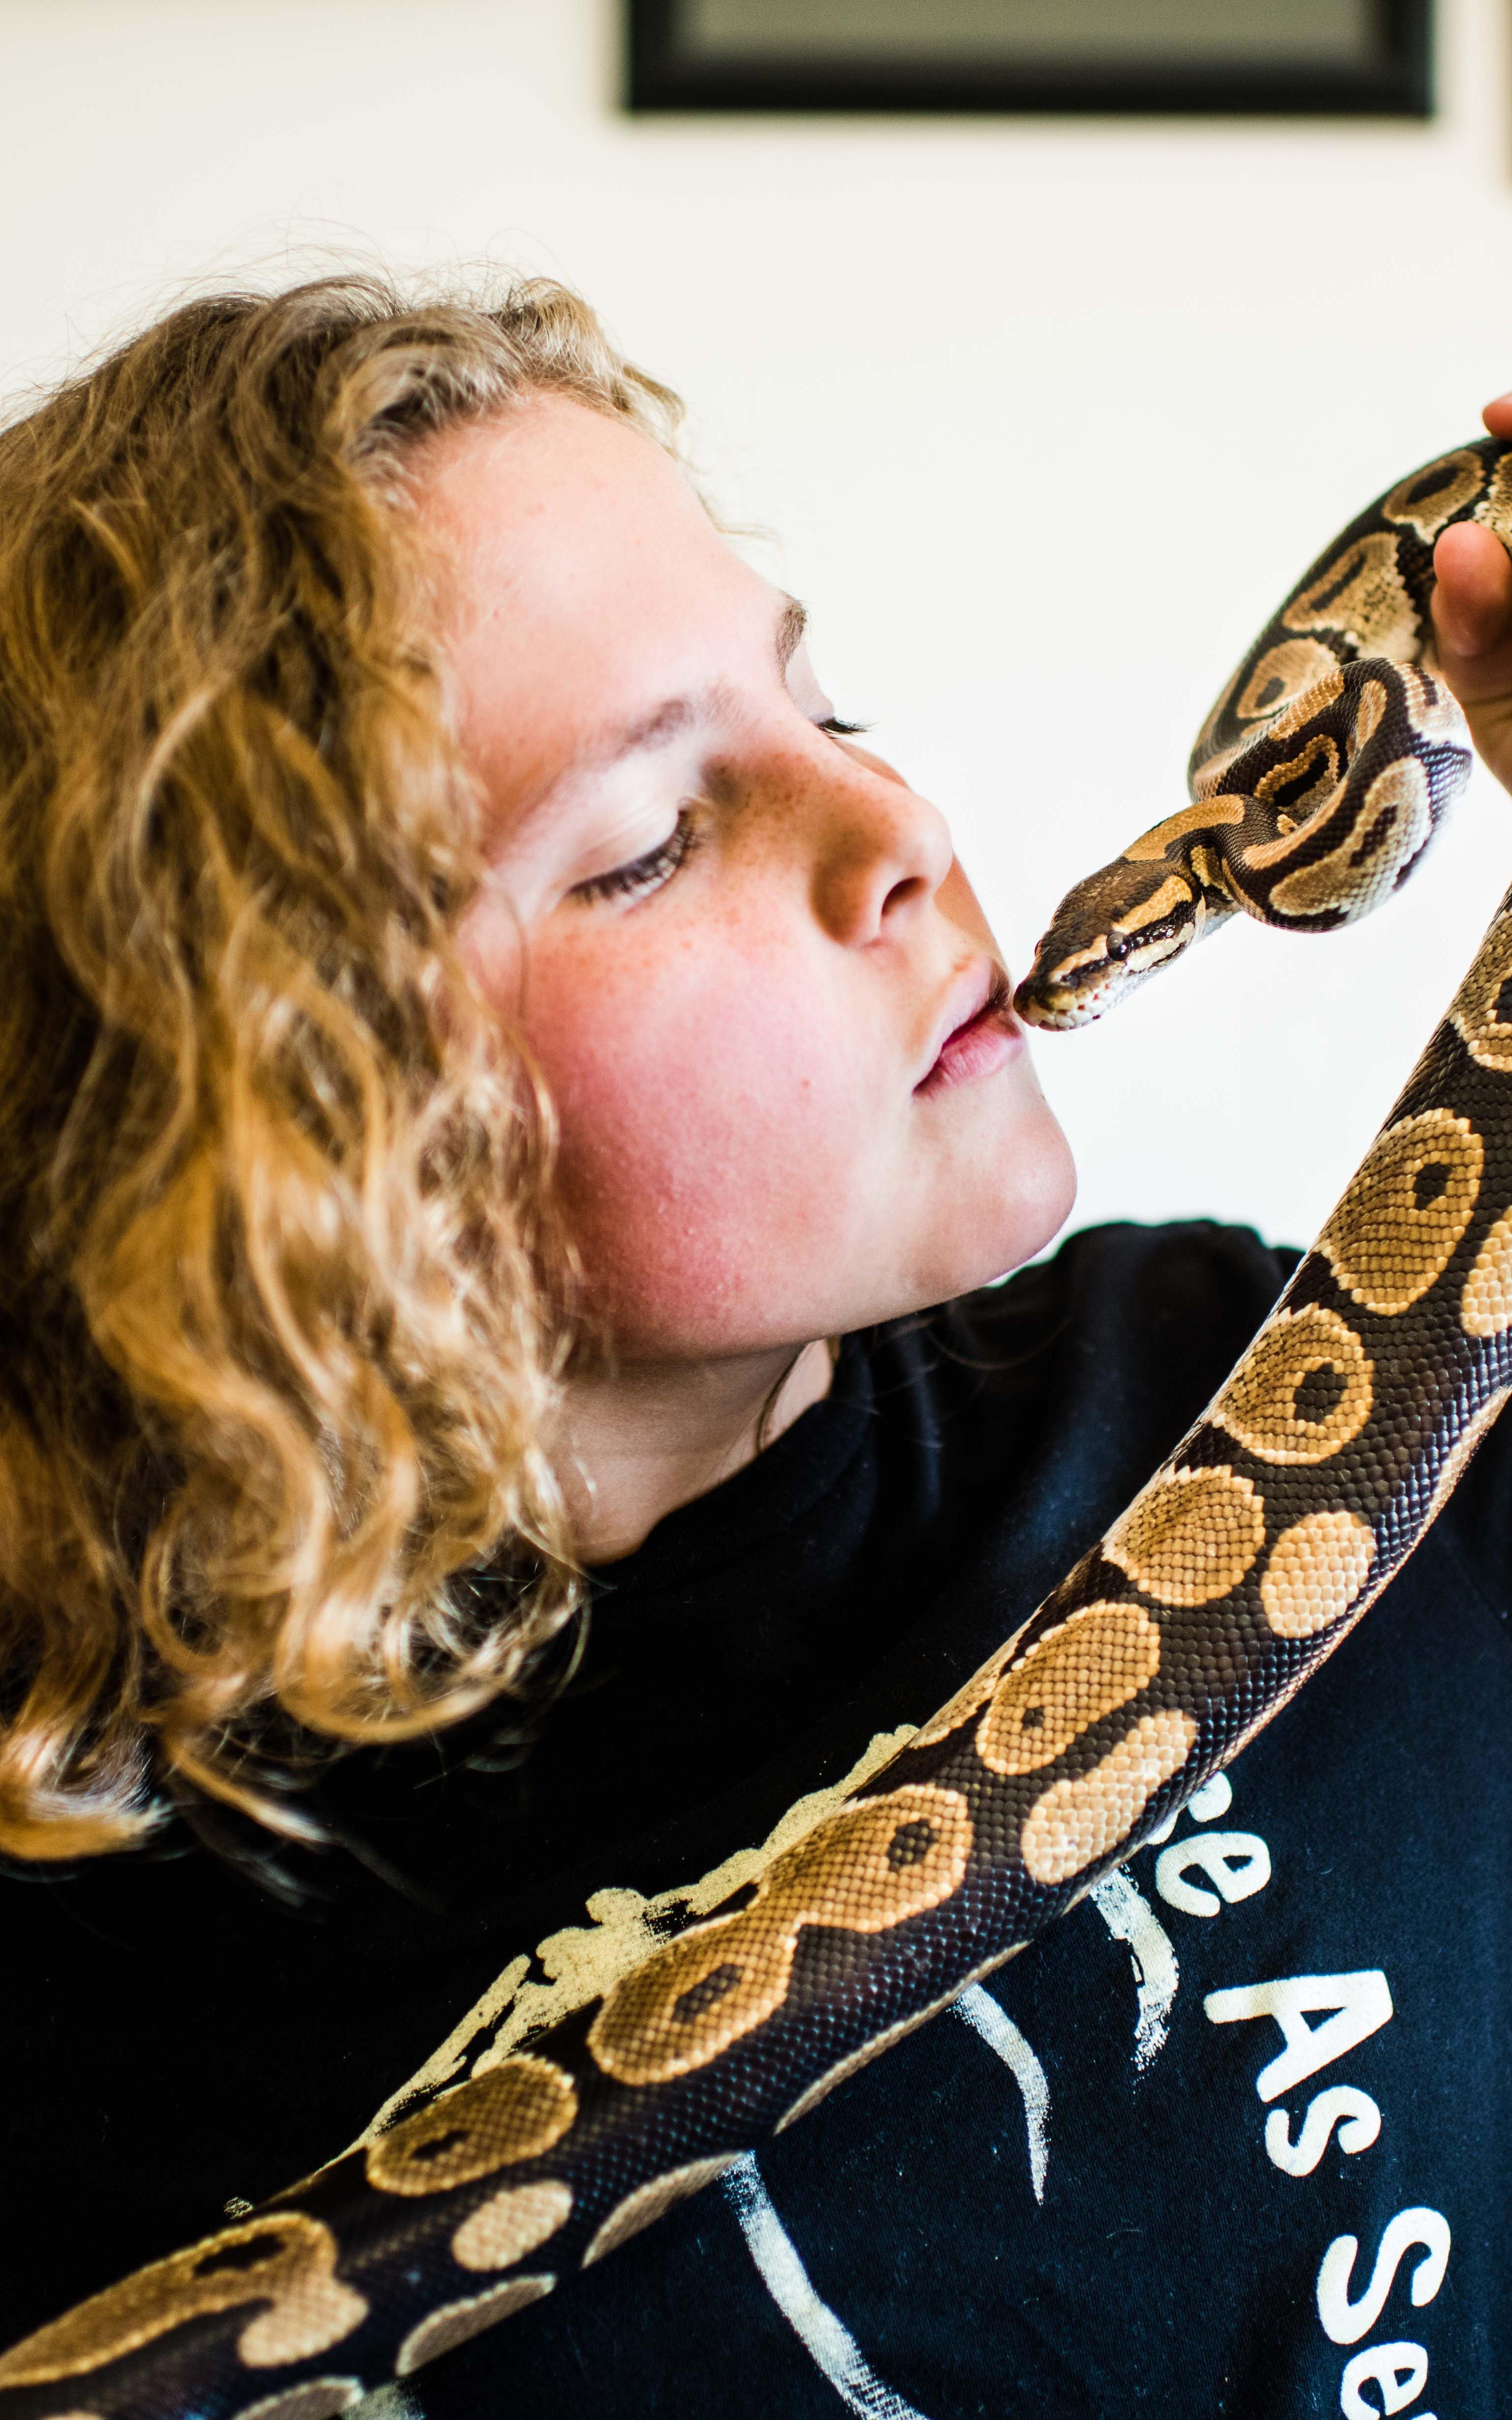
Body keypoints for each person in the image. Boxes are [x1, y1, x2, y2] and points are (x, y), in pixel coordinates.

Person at [0, 272, 1509, 2418]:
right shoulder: (90, 2018)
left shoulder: (1255, 1379)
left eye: (834, 707)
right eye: (647, 846)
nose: (904, 836)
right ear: (276, 1127)